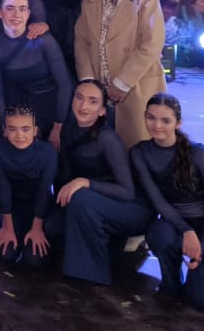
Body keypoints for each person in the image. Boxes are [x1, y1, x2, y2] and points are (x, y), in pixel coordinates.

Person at [133, 93, 204, 310]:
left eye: (165, 120)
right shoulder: (140, 153)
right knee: (158, 232)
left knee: (202, 300)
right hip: (178, 226)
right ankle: (171, 281)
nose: (157, 125)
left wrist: (201, 245)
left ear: (178, 123)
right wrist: (187, 231)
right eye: (151, 118)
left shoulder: (199, 155)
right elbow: (158, 201)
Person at [53, 80, 151, 286]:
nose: (83, 106)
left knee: (79, 197)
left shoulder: (107, 139)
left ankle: (94, 274)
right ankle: (106, 251)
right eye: (78, 98)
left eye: (92, 101)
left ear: (102, 111)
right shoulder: (68, 130)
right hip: (94, 202)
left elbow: (127, 192)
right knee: (52, 225)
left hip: (130, 207)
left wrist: (85, 182)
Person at [75, 0, 166, 150]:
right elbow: (82, 40)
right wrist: (89, 82)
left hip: (137, 86)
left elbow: (152, 43)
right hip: (100, 90)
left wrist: (122, 83)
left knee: (139, 151)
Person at [0, 0, 71, 149]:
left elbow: (64, 86)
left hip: (53, 107)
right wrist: (6, 125)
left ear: (29, 13)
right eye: (10, 8)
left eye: (22, 9)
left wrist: (58, 126)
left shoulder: (45, 41)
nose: (17, 14)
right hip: (20, 109)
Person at [0, 105, 57, 269]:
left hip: (39, 207)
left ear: (35, 130)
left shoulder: (47, 153)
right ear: (5, 131)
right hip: (10, 207)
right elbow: (2, 187)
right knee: (5, 254)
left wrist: (37, 227)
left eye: (25, 129)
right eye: (13, 129)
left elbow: (44, 191)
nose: (20, 135)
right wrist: (7, 227)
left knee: (34, 260)